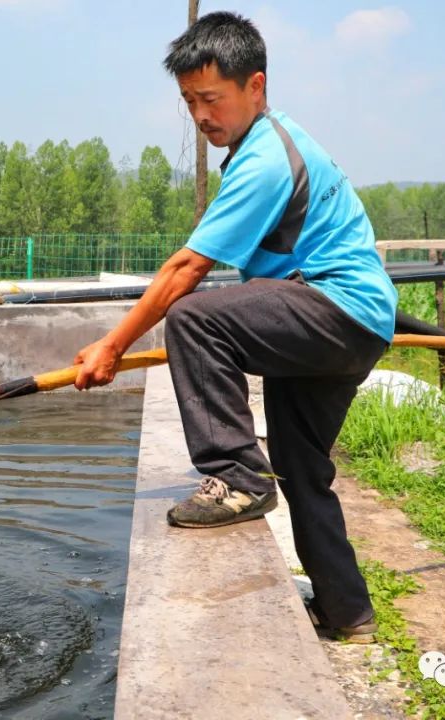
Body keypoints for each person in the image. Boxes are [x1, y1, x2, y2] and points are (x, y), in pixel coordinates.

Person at [72, 11, 398, 643]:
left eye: (211, 98)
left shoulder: (266, 158)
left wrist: (112, 346)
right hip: (349, 320)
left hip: (332, 308)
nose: (200, 115)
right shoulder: (270, 142)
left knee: (193, 318)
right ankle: (345, 612)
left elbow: (186, 271)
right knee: (304, 472)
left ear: (257, 85)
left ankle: (238, 477)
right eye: (189, 101)